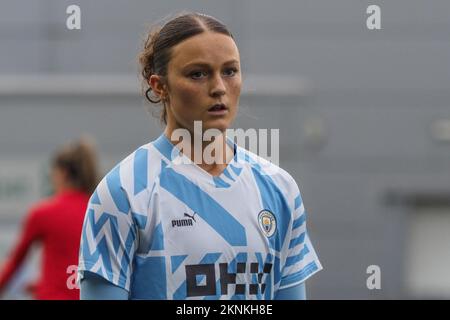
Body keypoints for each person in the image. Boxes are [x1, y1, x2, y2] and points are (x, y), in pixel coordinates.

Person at [78, 12, 322, 300]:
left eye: (230, 71)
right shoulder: (123, 192)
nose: (219, 87)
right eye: (198, 73)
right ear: (159, 86)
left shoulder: (280, 189)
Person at [0, 138, 100, 300]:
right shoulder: (98, 212)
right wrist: (41, 285)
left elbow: (14, 263)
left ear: (63, 173)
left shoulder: (43, 213)